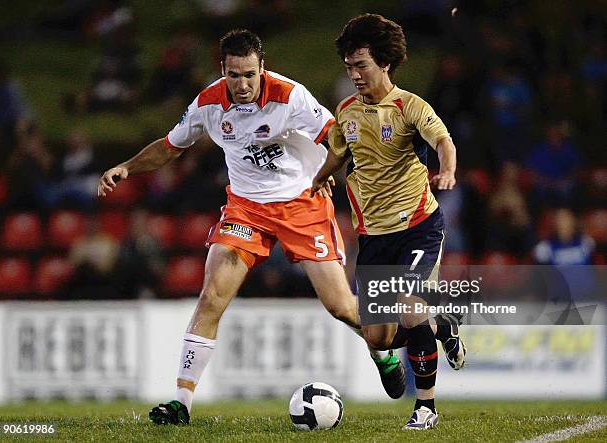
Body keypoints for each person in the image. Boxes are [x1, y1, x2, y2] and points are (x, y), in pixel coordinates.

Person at [98, 29, 405, 425]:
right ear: (222, 70)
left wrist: (331, 168)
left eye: (249, 75)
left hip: (302, 204)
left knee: (341, 307)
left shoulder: (290, 96)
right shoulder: (208, 102)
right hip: (246, 210)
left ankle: (382, 352)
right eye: (233, 75)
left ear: (263, 68)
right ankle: (181, 403)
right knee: (211, 298)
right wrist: (126, 166)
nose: (241, 85)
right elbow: (170, 146)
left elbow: (337, 136)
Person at [312, 14, 466, 429]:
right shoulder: (345, 111)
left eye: (361, 65)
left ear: (385, 63)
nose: (354, 74)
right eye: (349, 67)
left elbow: (442, 140)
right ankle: (443, 325)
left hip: (419, 226)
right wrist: (322, 175)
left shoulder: (410, 106)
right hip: (375, 238)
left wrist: (447, 169)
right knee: (377, 337)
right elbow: (340, 152)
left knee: (410, 307)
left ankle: (426, 407)